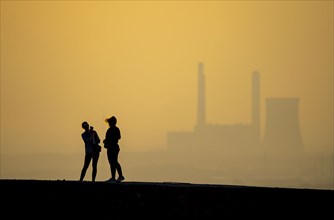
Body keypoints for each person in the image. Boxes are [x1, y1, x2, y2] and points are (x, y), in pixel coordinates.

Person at [104, 116, 125, 182]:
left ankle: (120, 176)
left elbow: (118, 137)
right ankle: (113, 177)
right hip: (110, 147)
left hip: (114, 147)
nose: (109, 124)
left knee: (114, 162)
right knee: (111, 163)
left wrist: (109, 140)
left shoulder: (116, 129)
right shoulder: (109, 130)